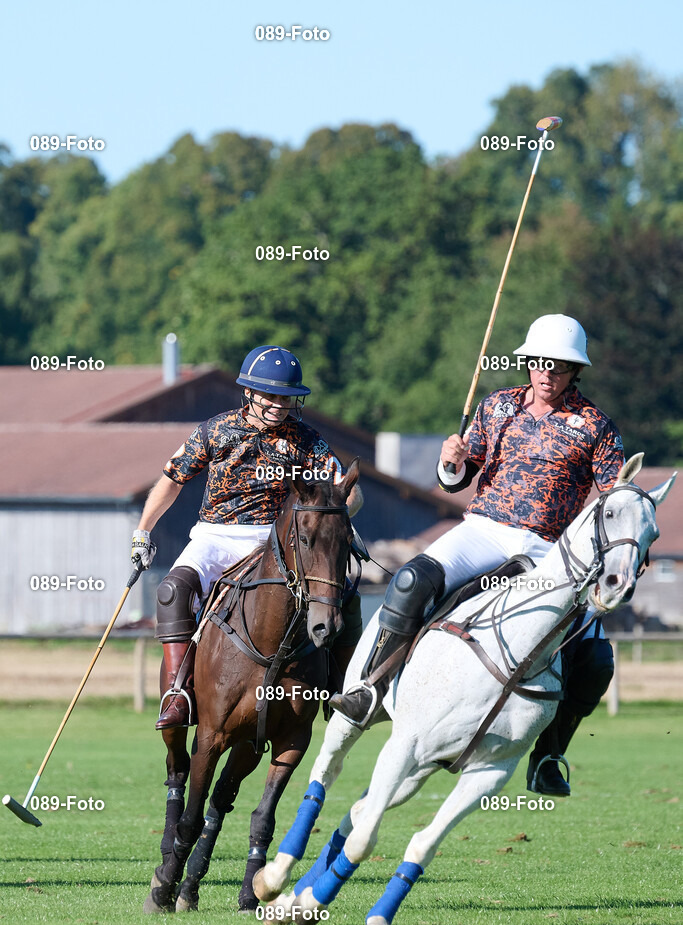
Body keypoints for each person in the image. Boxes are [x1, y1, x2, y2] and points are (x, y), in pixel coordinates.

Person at [330, 314, 623, 797]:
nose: (547, 373)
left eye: (560, 366)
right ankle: (370, 689)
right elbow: (457, 480)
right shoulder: (497, 407)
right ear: (528, 362)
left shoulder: (595, 425)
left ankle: (548, 754)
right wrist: (449, 465)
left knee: (594, 655)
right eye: (540, 363)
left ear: (576, 371)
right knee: (409, 580)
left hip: (550, 550)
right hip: (484, 531)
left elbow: (616, 497)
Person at [130, 345, 363, 730]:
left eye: (287, 398)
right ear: (250, 393)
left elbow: (348, 490)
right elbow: (172, 481)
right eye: (271, 396)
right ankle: (177, 694)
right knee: (171, 590)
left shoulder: (306, 440)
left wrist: (337, 518)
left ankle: (342, 687)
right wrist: (143, 532)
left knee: (344, 592)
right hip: (215, 537)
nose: (279, 405)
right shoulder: (216, 430)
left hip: (274, 543)